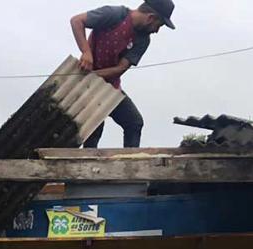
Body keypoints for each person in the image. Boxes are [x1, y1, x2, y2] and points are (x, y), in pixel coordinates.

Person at [70, 1, 176, 148]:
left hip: (110, 87)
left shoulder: (143, 39)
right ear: (150, 18)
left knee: (134, 122)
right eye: (159, 25)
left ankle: (130, 160)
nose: (156, 30)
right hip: (87, 85)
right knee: (94, 127)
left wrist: (93, 75)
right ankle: (87, 160)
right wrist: (86, 52)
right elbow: (77, 21)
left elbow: (120, 68)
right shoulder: (115, 15)